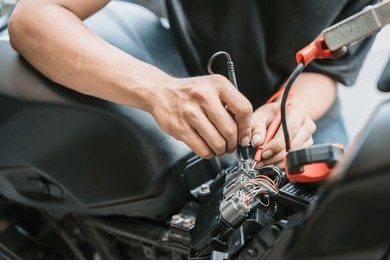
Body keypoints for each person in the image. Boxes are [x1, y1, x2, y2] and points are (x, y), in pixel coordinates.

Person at [8, 0, 378, 168]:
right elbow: (35, 17)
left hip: (302, 125)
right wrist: (158, 90)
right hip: (180, 86)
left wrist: (290, 109)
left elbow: (327, 70)